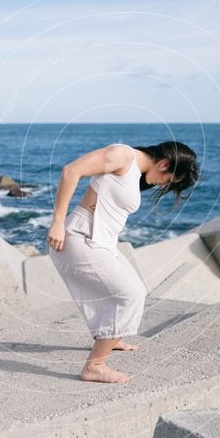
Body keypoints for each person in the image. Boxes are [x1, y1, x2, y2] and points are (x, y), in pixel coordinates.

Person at [46, 141, 200, 384]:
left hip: (102, 243)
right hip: (79, 237)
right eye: (169, 179)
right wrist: (57, 221)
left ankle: (110, 338)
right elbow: (71, 170)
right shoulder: (121, 155)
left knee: (132, 289)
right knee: (131, 294)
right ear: (164, 163)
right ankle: (94, 365)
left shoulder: (134, 171)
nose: (164, 185)